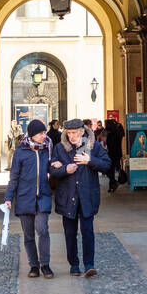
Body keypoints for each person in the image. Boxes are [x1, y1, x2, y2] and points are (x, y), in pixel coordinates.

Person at [49, 119, 112, 277]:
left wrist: (89, 161)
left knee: (87, 232)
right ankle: (74, 264)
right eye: (68, 133)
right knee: (70, 234)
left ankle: (89, 264)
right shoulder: (60, 148)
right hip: (67, 197)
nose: (71, 136)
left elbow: (107, 164)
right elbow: (52, 170)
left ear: (82, 132)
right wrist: (65, 169)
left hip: (87, 197)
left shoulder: (94, 147)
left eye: (74, 133)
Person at [5, 118, 54, 278]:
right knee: (28, 235)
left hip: (43, 196)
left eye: (44, 132)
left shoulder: (47, 148)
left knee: (42, 229)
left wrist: (58, 166)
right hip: (25, 197)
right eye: (40, 133)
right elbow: (14, 177)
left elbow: (52, 168)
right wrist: (8, 197)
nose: (43, 135)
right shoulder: (20, 152)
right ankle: (34, 266)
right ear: (32, 135)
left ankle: (45, 265)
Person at [105, 114, 125, 193]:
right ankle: (112, 185)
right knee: (113, 169)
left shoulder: (110, 134)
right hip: (117, 153)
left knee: (109, 170)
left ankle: (113, 183)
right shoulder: (118, 133)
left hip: (111, 154)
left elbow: (107, 144)